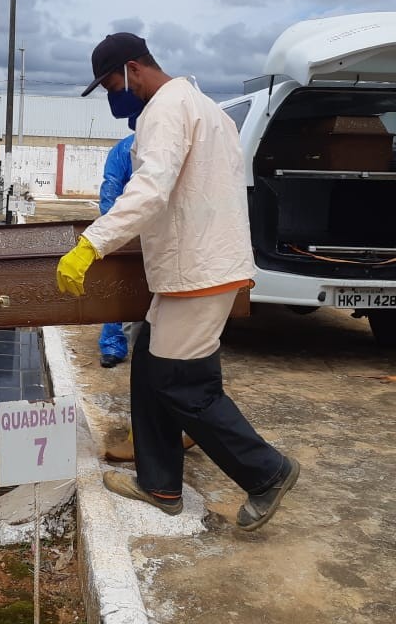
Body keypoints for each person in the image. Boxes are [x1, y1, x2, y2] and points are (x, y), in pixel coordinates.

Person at [56, 33, 299, 531]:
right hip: (197, 266)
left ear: (132, 70)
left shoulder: (164, 110)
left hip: (198, 270)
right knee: (149, 365)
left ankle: (266, 472)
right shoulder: (206, 108)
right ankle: (159, 482)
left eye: (109, 85)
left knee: (182, 384)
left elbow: (149, 190)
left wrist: (91, 244)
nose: (112, 96)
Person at [97, 134, 134, 368]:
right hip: (130, 228)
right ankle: (113, 344)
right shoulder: (125, 149)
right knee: (120, 286)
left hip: (167, 232)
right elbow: (111, 190)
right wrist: (113, 230)